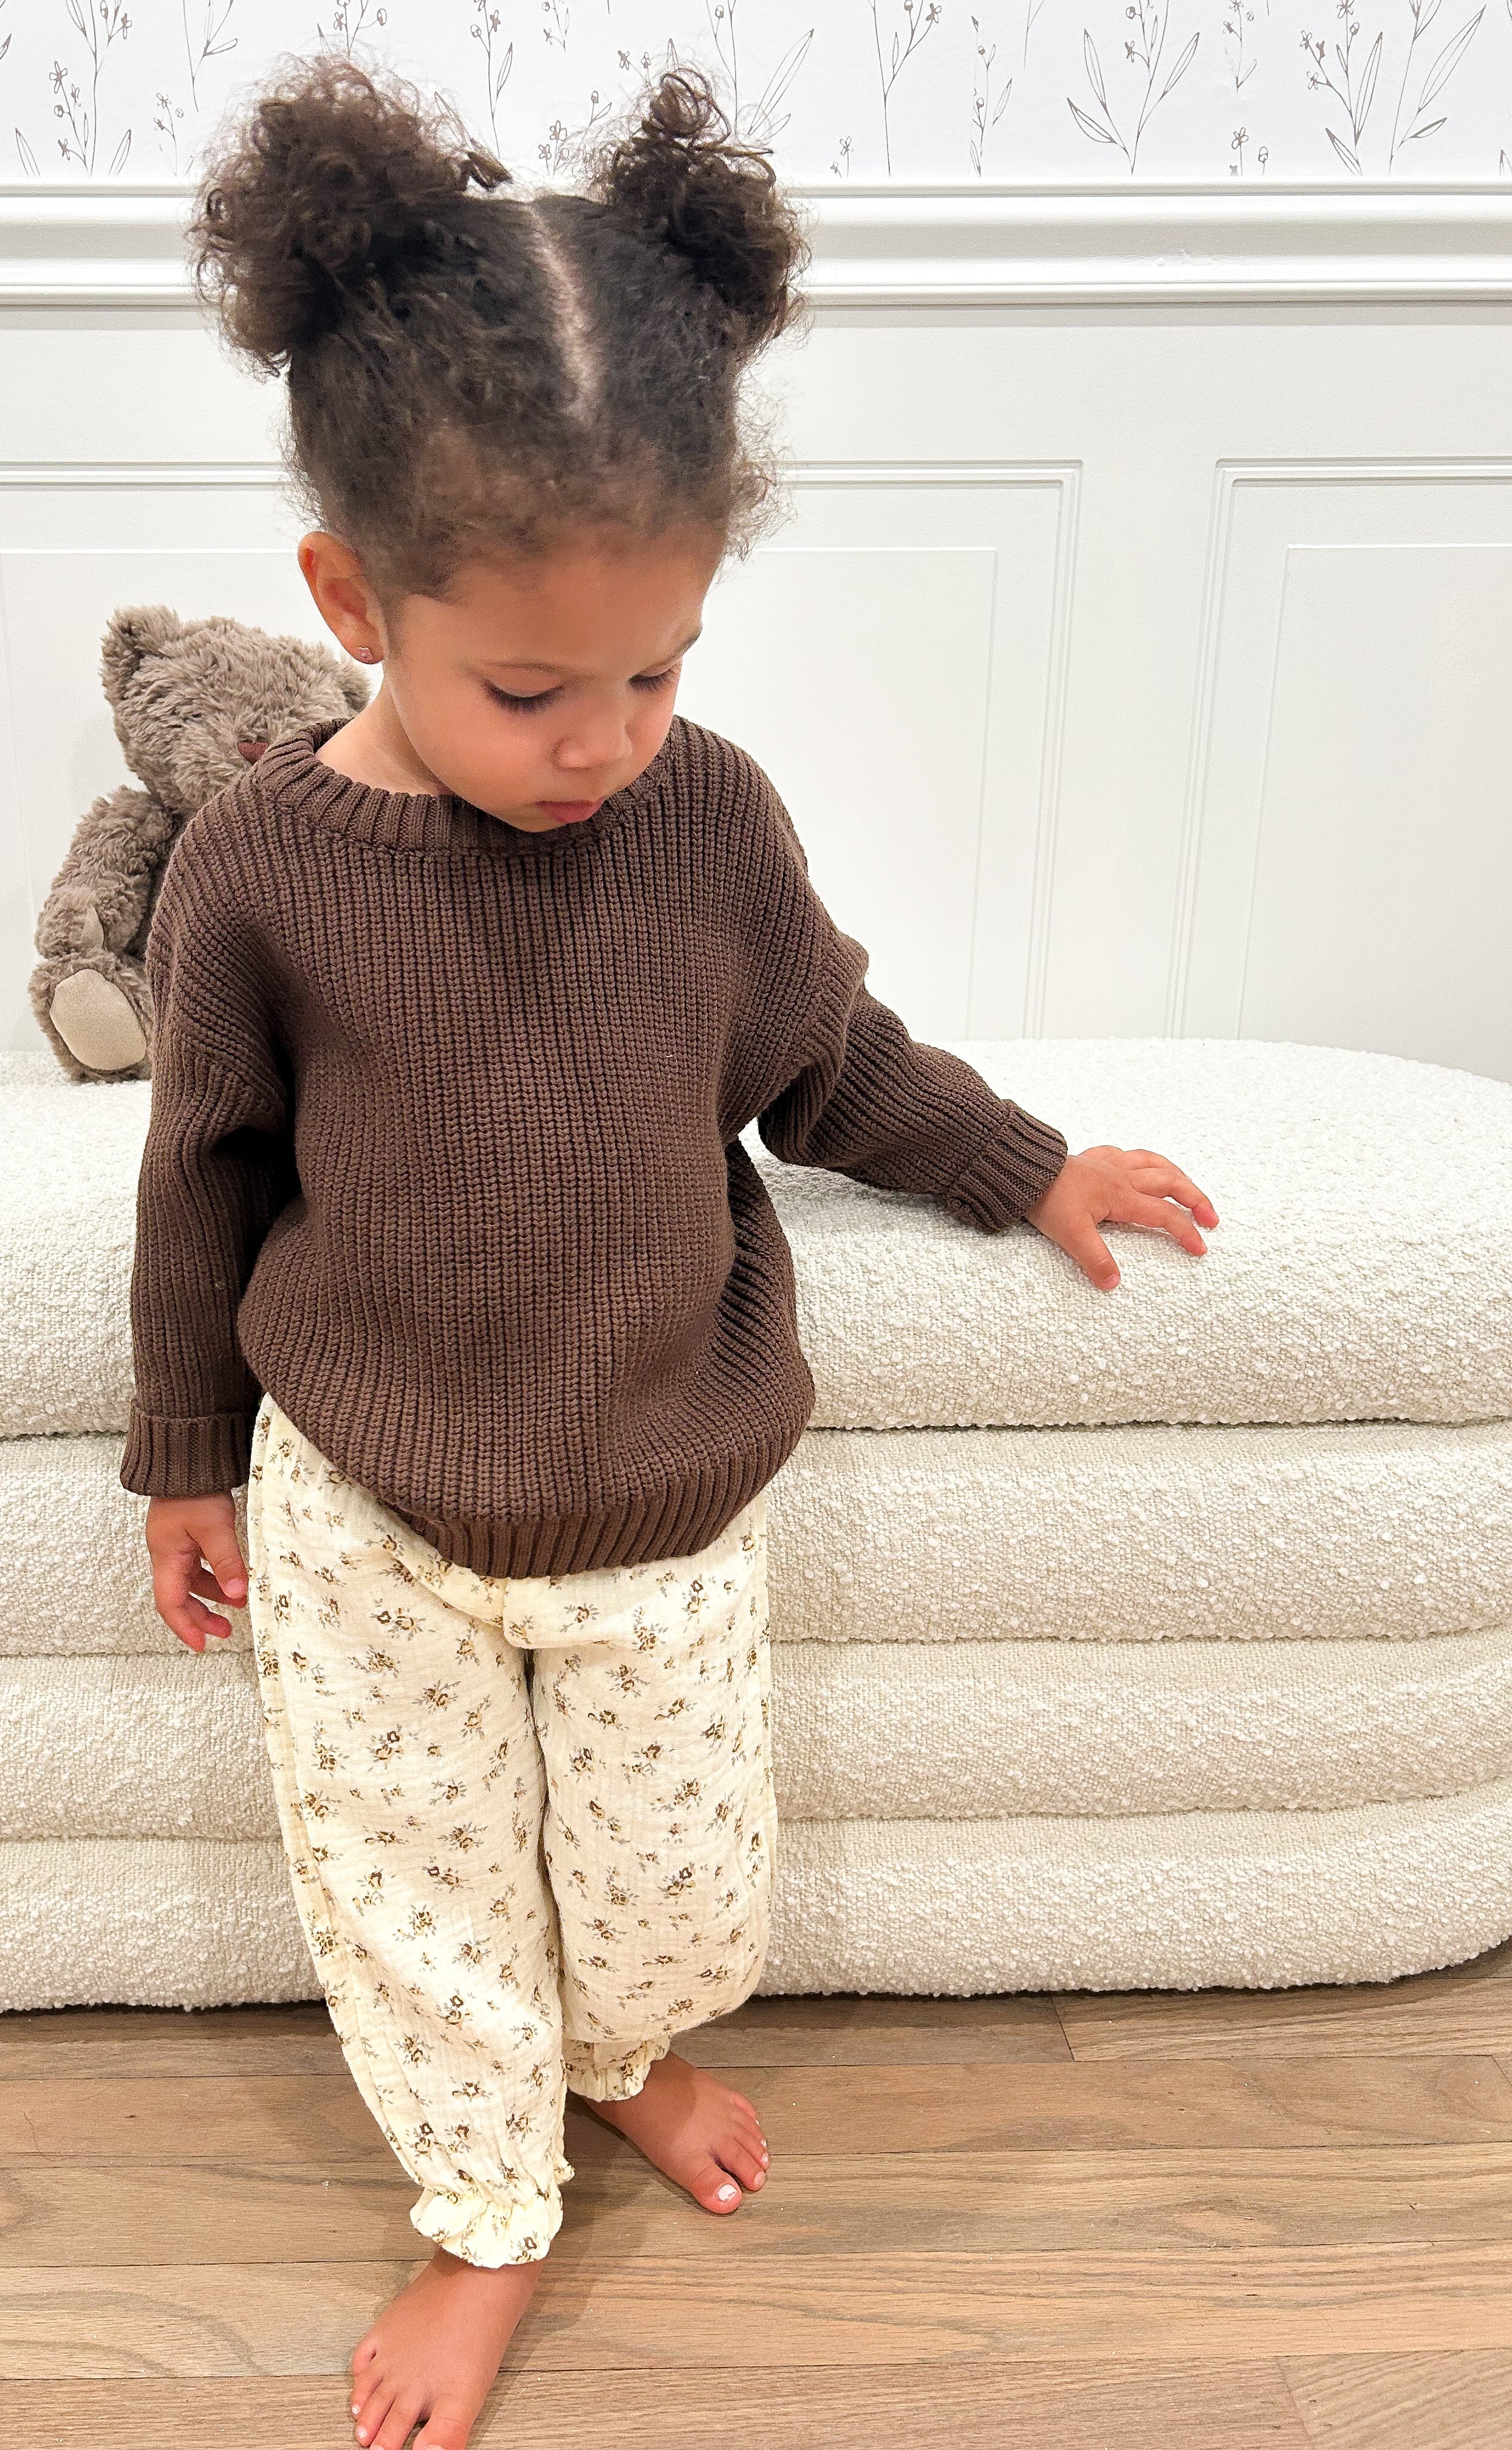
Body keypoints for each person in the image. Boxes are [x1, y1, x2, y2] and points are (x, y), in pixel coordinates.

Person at [118, 51, 1218, 2450]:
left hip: (662, 1494)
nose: (605, 734)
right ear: (348, 599)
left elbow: (827, 1058)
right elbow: (201, 1166)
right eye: (532, 688)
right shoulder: (263, 877)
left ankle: (617, 2055)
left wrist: (1034, 1168)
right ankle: (481, 2211)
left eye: (661, 667)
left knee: (671, 1895)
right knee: (412, 1898)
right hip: (369, 1506)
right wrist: (183, 1453)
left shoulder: (703, 823)